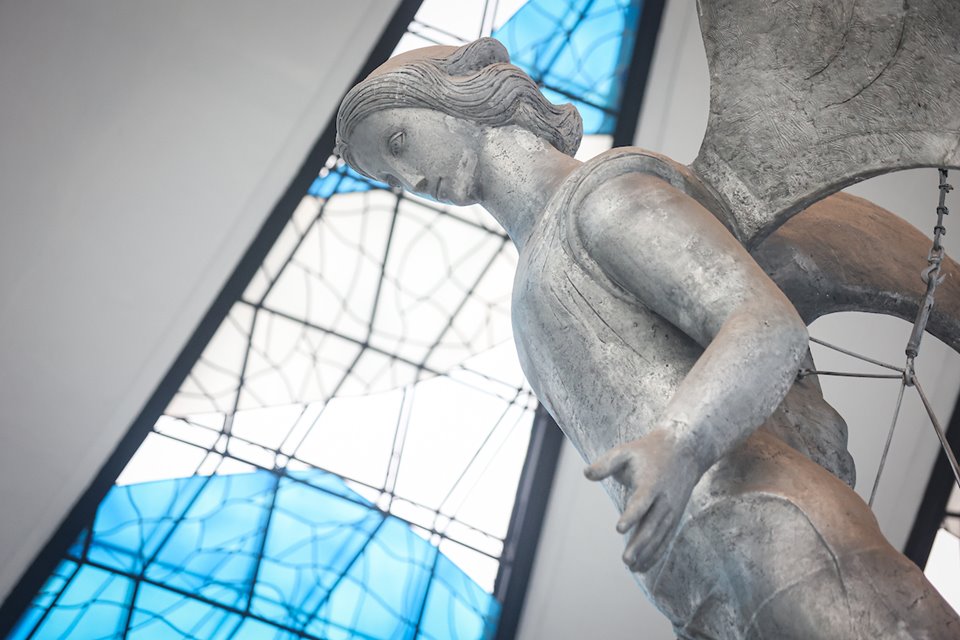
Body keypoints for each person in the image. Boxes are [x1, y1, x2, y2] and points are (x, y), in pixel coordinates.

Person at [336, 37, 959, 639]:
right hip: (704, 592)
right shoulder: (530, 286)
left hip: (781, 532)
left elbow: (765, 323)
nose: (410, 178)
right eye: (388, 177)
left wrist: (679, 444)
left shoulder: (601, 197)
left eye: (399, 142)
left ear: (463, 92)